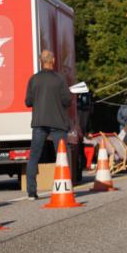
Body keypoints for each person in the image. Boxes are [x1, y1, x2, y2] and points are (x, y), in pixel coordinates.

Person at [25, 50, 73, 199]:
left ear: (41, 61)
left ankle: (31, 192)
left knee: (34, 156)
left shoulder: (33, 79)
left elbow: (28, 102)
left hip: (39, 122)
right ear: (52, 61)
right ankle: (64, 187)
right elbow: (67, 101)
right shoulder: (59, 79)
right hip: (57, 122)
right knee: (62, 156)